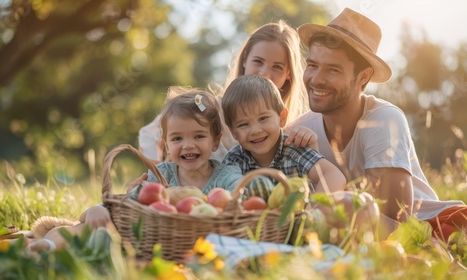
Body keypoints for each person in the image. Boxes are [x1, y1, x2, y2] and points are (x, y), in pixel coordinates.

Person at [290, 7, 467, 240]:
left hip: (427, 227)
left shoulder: (384, 119)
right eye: (312, 65)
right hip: (345, 233)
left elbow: (396, 219)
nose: (315, 79)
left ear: (363, 77)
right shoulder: (301, 129)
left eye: (332, 69)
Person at [29, 87, 243, 252]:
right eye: (177, 138)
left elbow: (244, 207)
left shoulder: (227, 177)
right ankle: (47, 247)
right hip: (153, 243)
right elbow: (126, 205)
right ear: (166, 145)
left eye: (199, 136)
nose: (187, 145)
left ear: (215, 142)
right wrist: (97, 209)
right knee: (94, 225)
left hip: (204, 247)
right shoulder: (162, 175)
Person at [138, 20, 316, 164]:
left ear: (289, 75)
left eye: (277, 67)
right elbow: (149, 135)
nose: (265, 73)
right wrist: (158, 174)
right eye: (258, 62)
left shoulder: (289, 126)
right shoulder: (210, 109)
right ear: (245, 60)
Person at [221, 74, 346, 195]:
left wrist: (313, 209)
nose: (255, 130)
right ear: (233, 132)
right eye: (243, 124)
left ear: (281, 118)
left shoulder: (295, 150)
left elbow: (334, 176)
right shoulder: (234, 160)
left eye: (263, 118)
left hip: (297, 215)